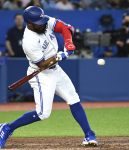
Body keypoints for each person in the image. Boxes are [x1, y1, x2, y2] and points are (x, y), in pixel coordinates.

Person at [0, 6, 98, 148]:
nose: (43, 24)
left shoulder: (44, 21)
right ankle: (7, 128)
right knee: (43, 113)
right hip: (41, 74)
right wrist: (60, 55)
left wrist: (68, 43)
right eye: (39, 23)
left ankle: (89, 134)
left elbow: (65, 28)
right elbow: (42, 65)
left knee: (73, 98)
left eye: (43, 20)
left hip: (55, 69)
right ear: (30, 24)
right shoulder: (29, 41)